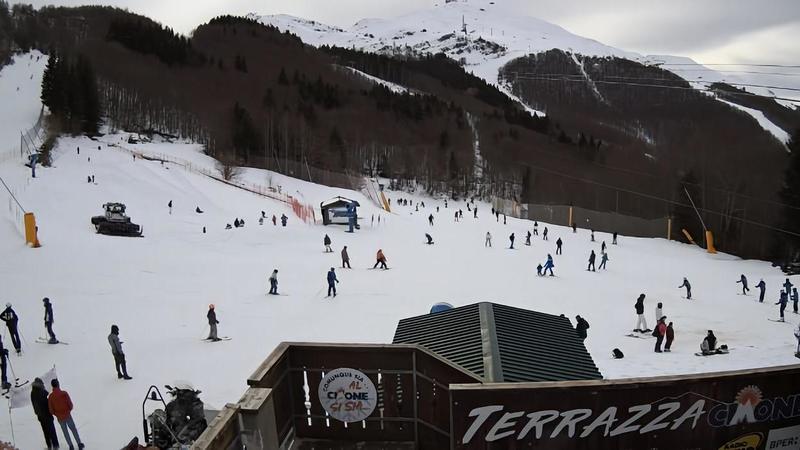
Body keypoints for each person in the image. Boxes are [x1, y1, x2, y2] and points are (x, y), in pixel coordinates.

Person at [48, 378, 85, 449]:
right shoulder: (64, 393)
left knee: (65, 432)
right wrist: (68, 411)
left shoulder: (51, 397)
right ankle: (79, 443)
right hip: (67, 415)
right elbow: (70, 405)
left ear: (52, 386)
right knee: (73, 429)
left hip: (60, 418)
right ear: (58, 384)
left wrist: (57, 414)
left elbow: (51, 410)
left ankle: (71, 446)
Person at [32, 377, 60, 449]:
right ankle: (55, 445)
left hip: (40, 416)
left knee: (45, 432)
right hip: (47, 414)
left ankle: (49, 446)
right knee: (52, 430)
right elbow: (48, 395)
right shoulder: (42, 391)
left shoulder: (32, 393)